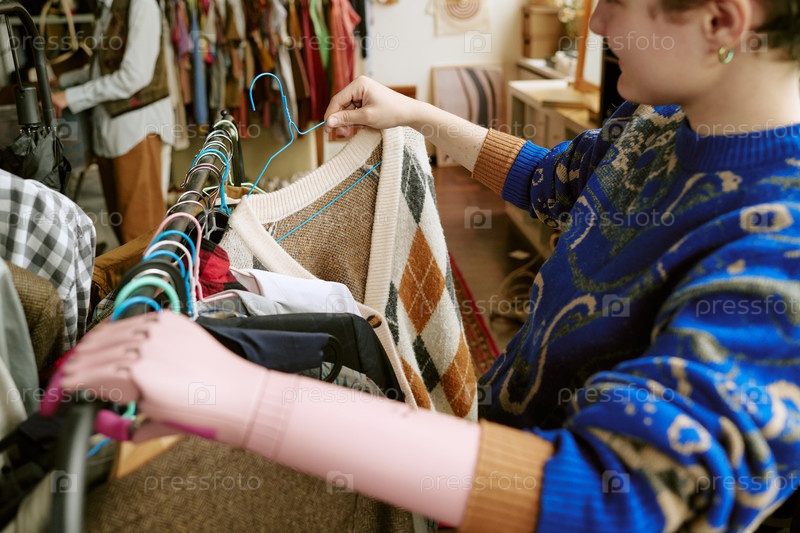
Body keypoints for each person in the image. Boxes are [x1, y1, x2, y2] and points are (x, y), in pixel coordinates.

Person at [44, 0, 800, 530]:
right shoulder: (660, 122)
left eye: (619, 3)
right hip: (493, 450)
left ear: (721, 22)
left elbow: (619, 498)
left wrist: (246, 399)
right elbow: (555, 181)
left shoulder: (780, 251)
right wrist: (416, 116)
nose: (596, 23)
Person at [51, 0, 175, 245]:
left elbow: (134, 76)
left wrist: (71, 96)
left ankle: (153, 273)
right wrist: (63, 81)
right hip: (111, 134)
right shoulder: (106, 8)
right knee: (125, 233)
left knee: (142, 235)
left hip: (136, 131)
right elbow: (102, 68)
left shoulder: (141, 5)